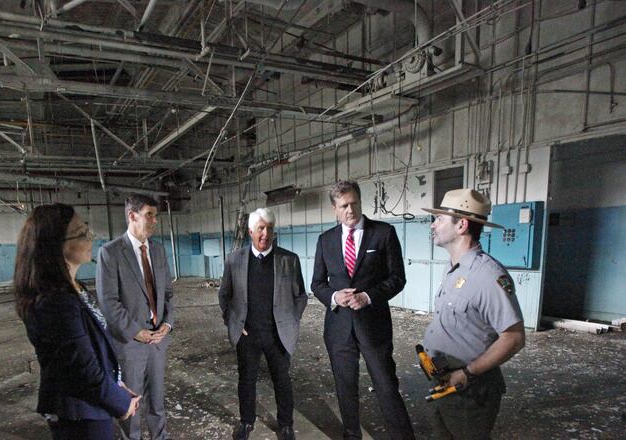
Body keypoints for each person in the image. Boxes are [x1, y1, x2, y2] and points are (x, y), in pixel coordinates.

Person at [13, 203, 140, 440]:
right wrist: (121, 403)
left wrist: (117, 385)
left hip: (91, 406)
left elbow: (92, 349)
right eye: (82, 234)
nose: (90, 238)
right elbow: (83, 369)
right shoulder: (55, 301)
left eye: (87, 230)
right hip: (79, 413)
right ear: (55, 245)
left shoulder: (74, 288)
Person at [311, 180, 414, 440]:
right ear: (335, 208)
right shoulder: (325, 241)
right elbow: (317, 283)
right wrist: (334, 296)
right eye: (344, 205)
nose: (350, 209)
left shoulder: (383, 233)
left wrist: (368, 297)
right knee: (345, 388)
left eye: (354, 203)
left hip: (373, 325)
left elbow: (397, 278)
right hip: (338, 327)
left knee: (386, 385)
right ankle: (351, 436)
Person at [422, 189, 525, 439]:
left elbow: (514, 338)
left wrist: (467, 373)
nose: (434, 225)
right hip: (444, 378)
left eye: (440, 219)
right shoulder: (454, 269)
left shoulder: (488, 275)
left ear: (462, 225)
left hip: (469, 387)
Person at [218, 208, 308, 440]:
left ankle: (286, 424)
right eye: (260, 228)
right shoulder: (234, 260)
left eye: (269, 228)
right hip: (247, 334)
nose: (265, 233)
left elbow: (300, 296)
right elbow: (224, 296)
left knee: (282, 380)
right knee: (246, 380)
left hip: (278, 334)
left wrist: (292, 320)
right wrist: (233, 322)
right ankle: (246, 422)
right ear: (250, 231)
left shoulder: (289, 260)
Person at [96, 194, 174, 440]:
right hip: (130, 343)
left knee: (157, 400)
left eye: (156, 216)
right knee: (132, 401)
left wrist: (168, 324)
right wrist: (135, 331)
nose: (155, 221)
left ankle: (160, 437)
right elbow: (109, 302)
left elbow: (169, 294)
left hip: (158, 341)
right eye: (149, 215)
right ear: (132, 216)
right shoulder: (110, 253)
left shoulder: (159, 251)